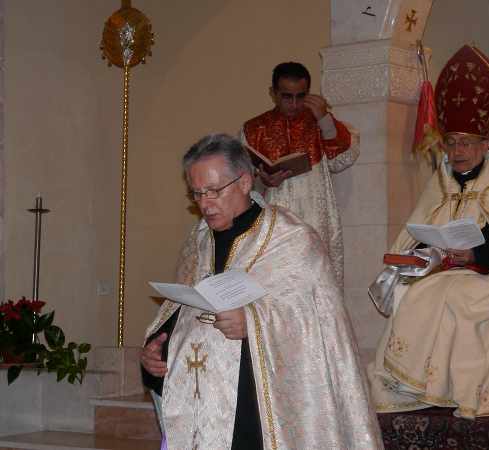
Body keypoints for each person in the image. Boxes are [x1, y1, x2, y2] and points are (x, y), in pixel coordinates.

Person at [141, 134, 382, 449]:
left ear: (244, 182)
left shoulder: (292, 239)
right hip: (199, 406)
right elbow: (179, 312)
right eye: (196, 193)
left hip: (256, 410)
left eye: (214, 191)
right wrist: (155, 351)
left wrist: (253, 323)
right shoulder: (197, 243)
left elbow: (320, 325)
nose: (204, 203)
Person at [368, 45, 489, 419]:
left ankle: (456, 392)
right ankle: (414, 387)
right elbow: (419, 228)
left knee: (456, 297)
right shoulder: (440, 180)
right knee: (412, 293)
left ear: (485, 144)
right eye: (451, 142)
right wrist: (425, 251)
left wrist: (473, 254)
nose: (457, 151)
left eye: (466, 143)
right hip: (443, 270)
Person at [242, 61, 359, 288]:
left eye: (300, 96)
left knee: (316, 281)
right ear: (273, 93)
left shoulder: (320, 122)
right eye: (287, 96)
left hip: (316, 217)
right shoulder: (254, 129)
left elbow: (342, 160)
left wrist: (324, 119)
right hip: (272, 218)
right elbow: (239, 185)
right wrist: (262, 181)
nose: (294, 104)